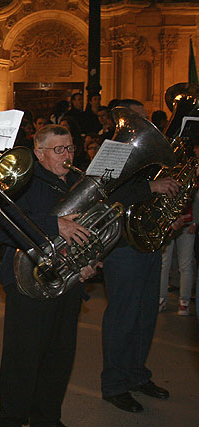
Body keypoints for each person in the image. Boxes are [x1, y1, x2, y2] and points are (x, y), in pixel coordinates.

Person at [0, 125, 98, 427]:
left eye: (70, 148)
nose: (67, 155)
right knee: (22, 359)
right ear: (39, 153)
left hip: (68, 282)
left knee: (59, 357)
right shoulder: (23, 181)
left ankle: (47, 419)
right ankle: (10, 419)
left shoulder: (80, 182)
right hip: (28, 282)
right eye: (58, 149)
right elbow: (7, 225)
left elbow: (91, 230)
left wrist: (90, 261)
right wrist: (56, 225)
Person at [100, 99, 179, 413]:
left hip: (146, 241)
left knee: (145, 316)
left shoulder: (148, 156)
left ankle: (136, 374)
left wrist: (164, 215)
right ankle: (114, 384)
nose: (148, 124)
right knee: (124, 316)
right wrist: (151, 187)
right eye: (141, 118)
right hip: (123, 245)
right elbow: (105, 193)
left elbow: (147, 196)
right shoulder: (112, 149)